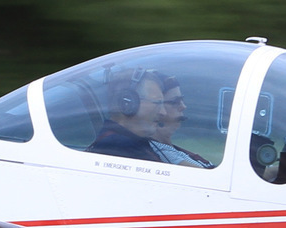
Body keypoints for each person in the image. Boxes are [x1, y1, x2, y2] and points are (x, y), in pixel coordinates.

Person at [85, 68, 214, 167]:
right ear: (128, 103)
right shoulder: (118, 148)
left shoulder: (135, 143)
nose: (163, 113)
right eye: (157, 103)